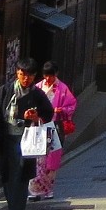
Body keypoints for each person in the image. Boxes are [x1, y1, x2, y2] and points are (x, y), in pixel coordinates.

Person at [0, 59, 54, 210]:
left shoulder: (37, 94)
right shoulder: (5, 91)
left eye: (30, 75)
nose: (26, 79)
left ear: (34, 76)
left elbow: (48, 114)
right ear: (17, 73)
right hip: (7, 139)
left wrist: (36, 117)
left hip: (28, 140)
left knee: (22, 177)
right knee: (7, 176)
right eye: (22, 74)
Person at [28, 61, 78, 201]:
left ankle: (48, 189)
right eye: (45, 76)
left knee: (51, 158)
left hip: (54, 126)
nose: (48, 79)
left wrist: (60, 110)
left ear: (56, 74)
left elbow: (71, 105)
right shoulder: (37, 87)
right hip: (38, 126)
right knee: (37, 158)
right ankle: (35, 191)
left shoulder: (62, 89)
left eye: (50, 76)